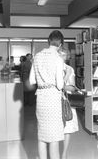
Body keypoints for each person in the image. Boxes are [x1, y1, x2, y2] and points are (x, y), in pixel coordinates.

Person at [29, 30, 65, 159]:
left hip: (41, 98)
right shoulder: (58, 58)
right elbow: (60, 85)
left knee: (42, 136)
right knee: (54, 138)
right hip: (53, 99)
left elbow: (32, 80)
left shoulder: (37, 56)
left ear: (48, 41)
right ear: (60, 44)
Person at [59, 47, 79, 159]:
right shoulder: (52, 68)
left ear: (67, 57)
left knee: (68, 128)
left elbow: (72, 87)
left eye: (63, 55)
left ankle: (64, 153)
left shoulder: (70, 69)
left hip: (66, 101)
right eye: (59, 55)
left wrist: (62, 86)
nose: (61, 57)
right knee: (55, 128)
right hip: (54, 101)